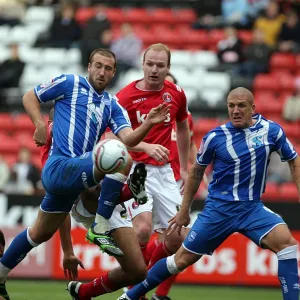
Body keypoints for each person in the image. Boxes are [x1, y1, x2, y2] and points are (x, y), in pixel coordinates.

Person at [0, 48, 170, 299]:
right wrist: (38, 124)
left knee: (136, 271)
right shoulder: (70, 83)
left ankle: (77, 291)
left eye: (108, 68)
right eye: (98, 66)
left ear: (113, 72)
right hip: (61, 168)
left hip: (83, 181)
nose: (102, 72)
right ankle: (111, 212)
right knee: (120, 156)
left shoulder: (112, 104)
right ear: (89, 66)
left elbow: (129, 137)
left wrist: (147, 123)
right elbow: (30, 96)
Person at [119, 87, 300, 300]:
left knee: (287, 245)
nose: (235, 110)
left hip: (252, 208)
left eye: (241, 105)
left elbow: (293, 159)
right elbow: (196, 172)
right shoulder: (215, 137)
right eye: (231, 106)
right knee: (181, 260)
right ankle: (131, 296)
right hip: (218, 211)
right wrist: (185, 210)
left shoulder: (271, 131)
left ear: (253, 108)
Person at [107, 43, 190, 296]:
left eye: (160, 65)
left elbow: (183, 125)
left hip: (165, 172)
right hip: (134, 169)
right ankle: (133, 291)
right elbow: (112, 137)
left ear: (168, 68)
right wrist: (145, 145)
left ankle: (142, 282)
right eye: (150, 64)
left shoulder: (175, 93)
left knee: (179, 239)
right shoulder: (125, 96)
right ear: (142, 64)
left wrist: (184, 168)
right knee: (143, 230)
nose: (154, 70)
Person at [150, 72, 198, 300]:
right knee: (146, 236)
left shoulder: (183, 116)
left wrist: (195, 170)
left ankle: (159, 293)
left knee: (177, 240)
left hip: (175, 181)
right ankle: (135, 281)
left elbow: (190, 143)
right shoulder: (149, 114)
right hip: (150, 177)